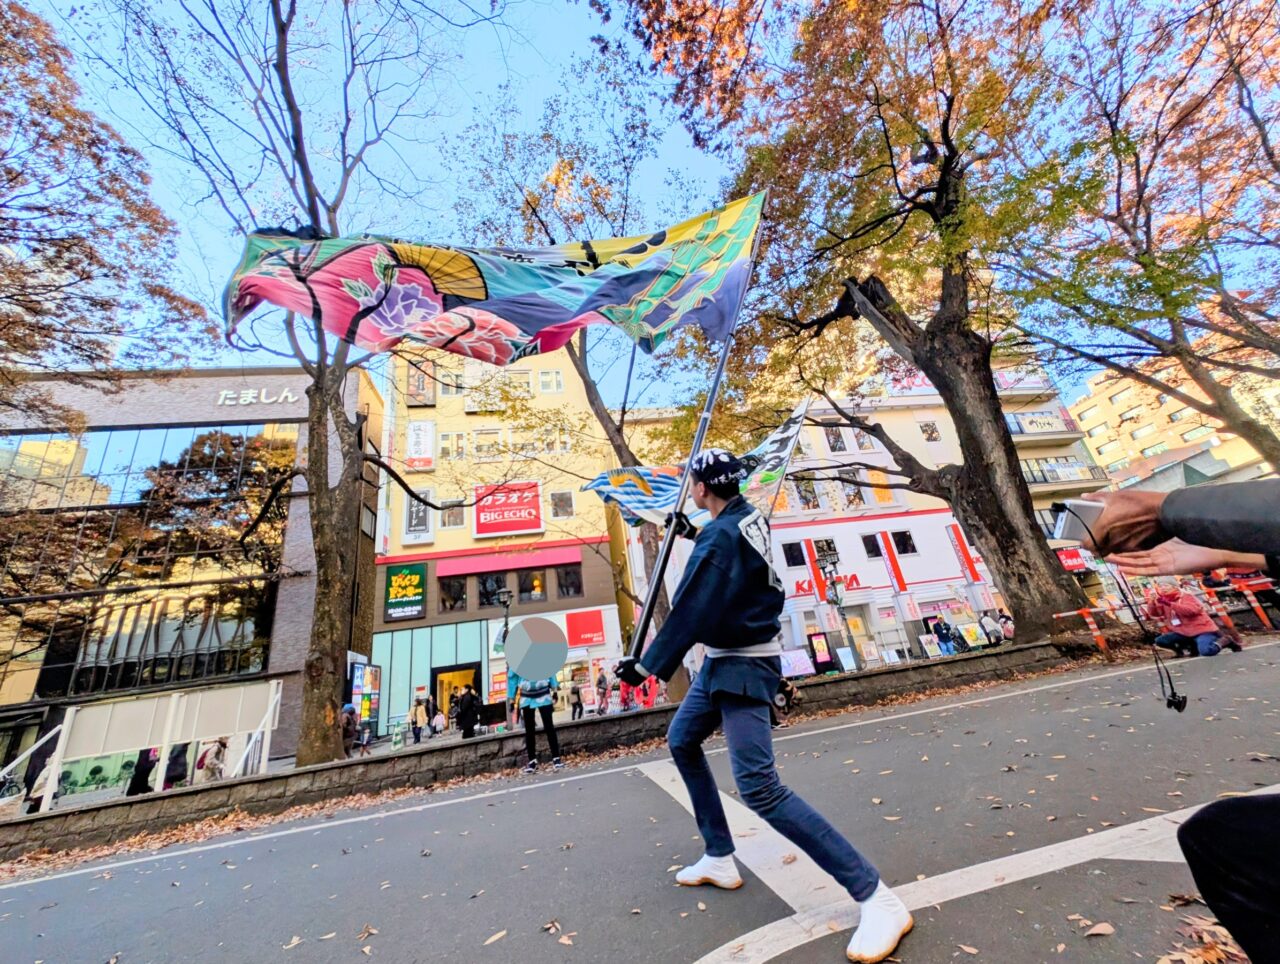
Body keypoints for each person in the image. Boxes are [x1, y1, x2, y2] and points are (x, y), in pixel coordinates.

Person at [614, 450, 911, 963]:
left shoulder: (719, 537)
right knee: (682, 740)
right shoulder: (745, 517)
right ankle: (720, 854)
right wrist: (689, 532)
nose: (688, 491)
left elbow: (690, 607)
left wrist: (645, 666)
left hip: (744, 665)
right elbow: (731, 564)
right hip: (725, 661)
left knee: (759, 786)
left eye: (691, 484)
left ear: (704, 489)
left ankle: (876, 897)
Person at [1082, 481, 1280, 960]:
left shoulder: (1189, 601)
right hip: (1189, 602)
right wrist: (1220, 553)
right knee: (1218, 835)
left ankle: (1221, 643)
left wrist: (1163, 508)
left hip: (1205, 629)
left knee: (1223, 839)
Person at [1141, 581, 1233, 657]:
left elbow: (1191, 611)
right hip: (1182, 632)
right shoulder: (1162, 600)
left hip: (1202, 629)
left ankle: (1225, 641)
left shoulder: (1186, 596)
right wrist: (1152, 602)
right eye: (1160, 586)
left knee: (1206, 651)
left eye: (1166, 585)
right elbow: (1155, 614)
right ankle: (1184, 650)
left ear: (1175, 587)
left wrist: (1170, 604)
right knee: (1161, 640)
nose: (1163, 588)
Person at [512, 671, 564, 773]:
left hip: (543, 694)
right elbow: (513, 676)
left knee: (549, 727)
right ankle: (532, 761)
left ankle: (556, 758)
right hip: (526, 696)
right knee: (529, 730)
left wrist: (554, 690)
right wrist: (511, 698)